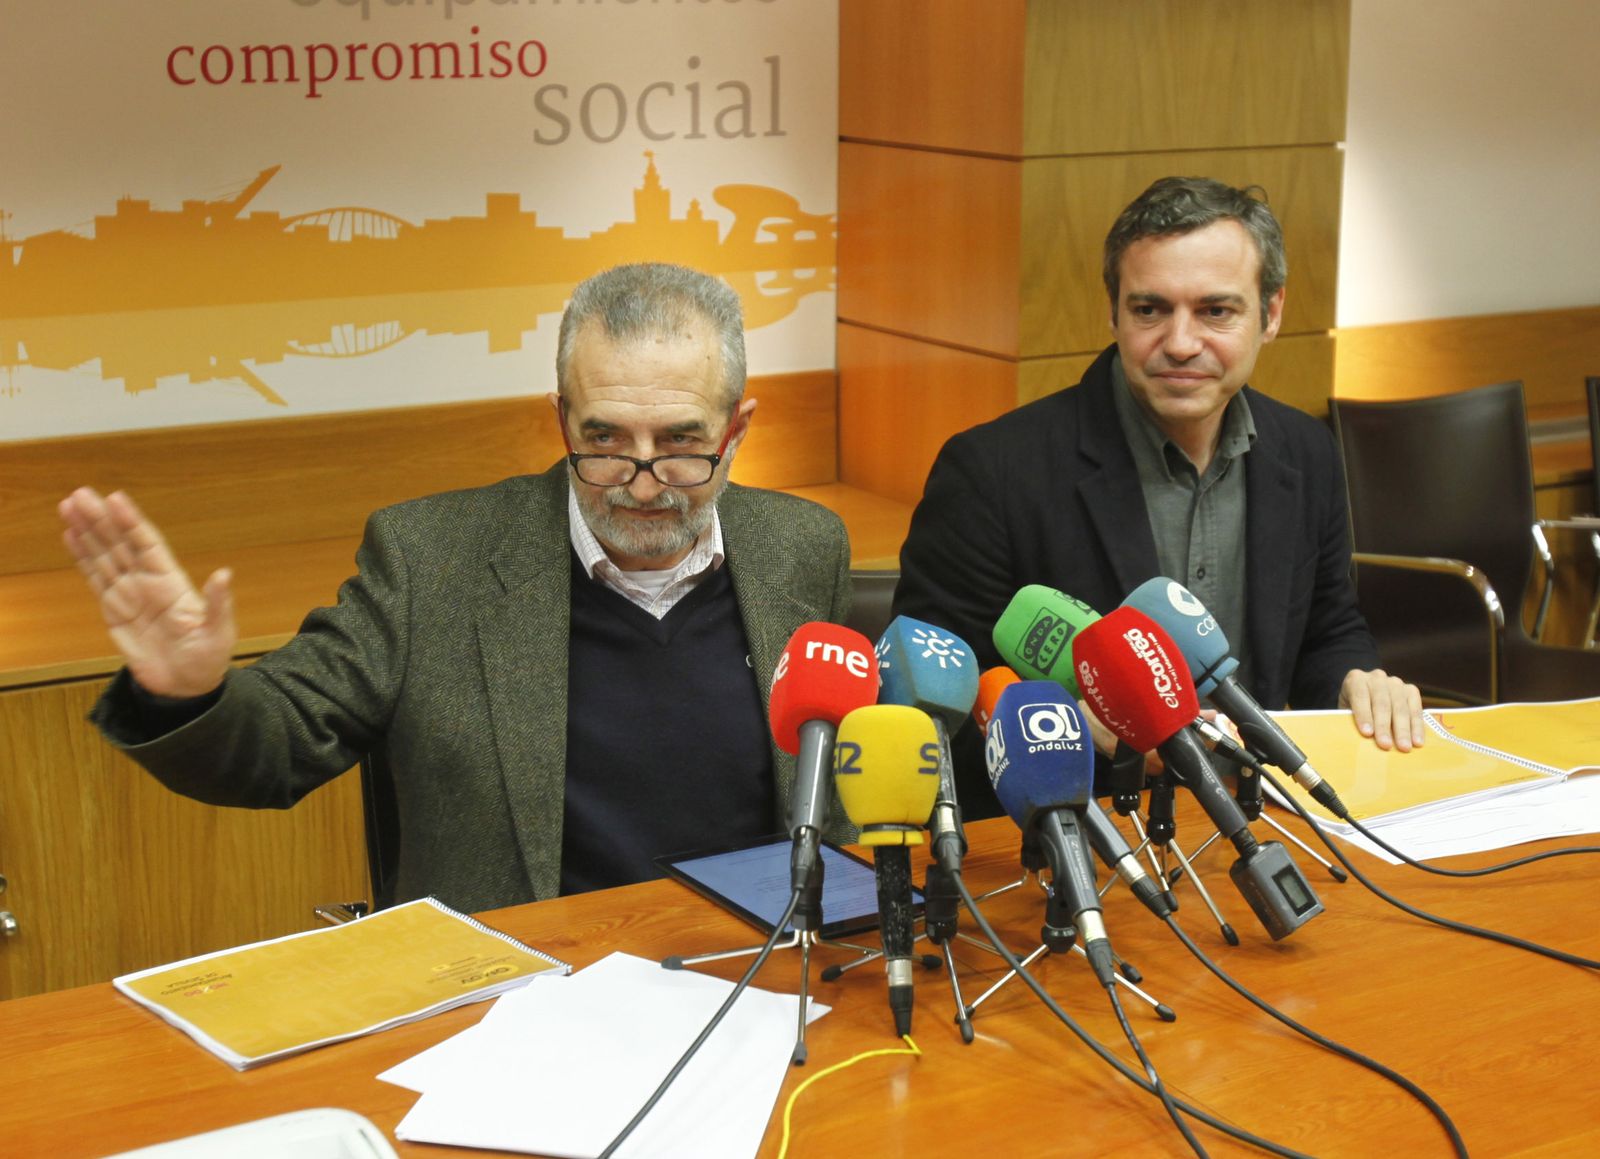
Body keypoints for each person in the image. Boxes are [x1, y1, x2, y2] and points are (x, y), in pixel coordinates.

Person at [61, 262, 855, 913]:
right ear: (560, 420)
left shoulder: (801, 545)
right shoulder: (431, 559)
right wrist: (187, 695)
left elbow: (833, 792)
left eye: (681, 443)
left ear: (737, 429)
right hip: (519, 997)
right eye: (604, 439)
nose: (641, 484)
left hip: (760, 976)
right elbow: (277, 745)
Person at [893, 177, 1422, 815]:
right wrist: (1074, 729)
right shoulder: (992, 472)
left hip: (1263, 811)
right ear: (1112, 311)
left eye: (1215, 311)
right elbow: (937, 693)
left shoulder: (1305, 451)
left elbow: (1327, 629)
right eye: (1150, 310)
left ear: (1272, 314)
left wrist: (1355, 683)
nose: (1179, 342)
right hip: (1076, 833)